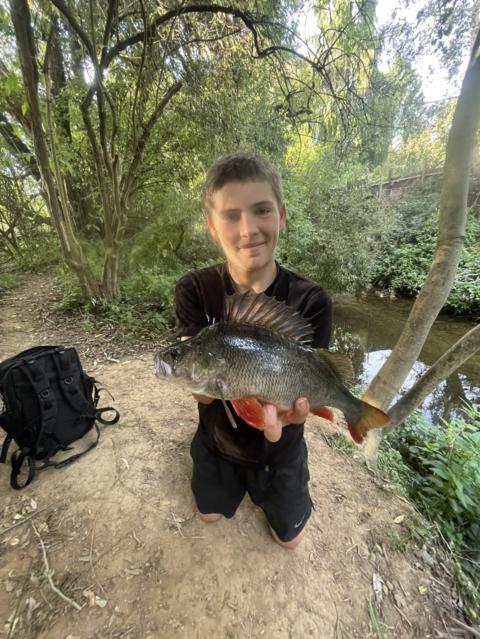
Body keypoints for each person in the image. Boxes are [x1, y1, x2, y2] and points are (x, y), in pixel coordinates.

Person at [175, 153, 332, 549]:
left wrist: (296, 416)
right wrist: (198, 379)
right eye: (231, 216)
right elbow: (197, 384)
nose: (248, 229)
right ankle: (219, 472)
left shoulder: (312, 300)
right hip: (218, 440)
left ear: (281, 216)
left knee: (289, 541)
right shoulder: (194, 289)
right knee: (208, 514)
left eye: (261, 210)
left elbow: (315, 377)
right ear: (213, 227)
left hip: (280, 448)